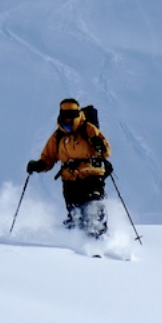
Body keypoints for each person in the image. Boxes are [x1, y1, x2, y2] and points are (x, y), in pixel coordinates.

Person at [26, 98, 112, 238]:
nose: (68, 120)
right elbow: (49, 156)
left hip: (91, 175)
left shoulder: (88, 129)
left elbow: (106, 151)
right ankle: (76, 243)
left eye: (71, 116)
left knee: (93, 207)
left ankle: (99, 240)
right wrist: (39, 165)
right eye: (65, 116)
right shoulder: (58, 135)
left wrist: (99, 145)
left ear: (77, 115)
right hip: (70, 180)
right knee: (75, 212)